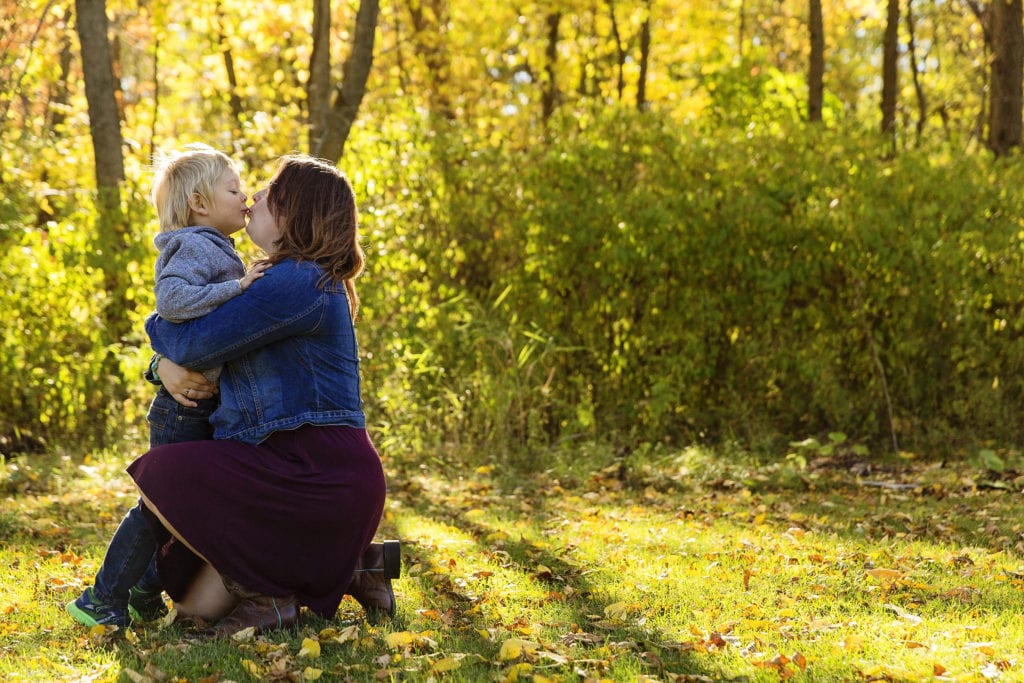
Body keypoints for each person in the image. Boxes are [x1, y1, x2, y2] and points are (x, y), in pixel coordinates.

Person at [128, 154, 395, 637]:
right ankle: (350, 565)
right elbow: (202, 345)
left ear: (295, 211)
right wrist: (160, 366)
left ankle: (305, 575)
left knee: (164, 472)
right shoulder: (271, 278)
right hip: (285, 468)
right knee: (186, 598)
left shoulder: (297, 282)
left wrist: (156, 338)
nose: (252, 197)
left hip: (314, 474)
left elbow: (191, 342)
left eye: (269, 190)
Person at [67, 143, 267, 628]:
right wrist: (237, 289)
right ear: (199, 203)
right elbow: (172, 301)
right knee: (159, 510)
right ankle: (101, 598)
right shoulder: (194, 245)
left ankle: (141, 589)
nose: (245, 197)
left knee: (183, 511)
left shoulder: (218, 245)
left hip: (202, 405)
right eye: (234, 188)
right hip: (181, 410)